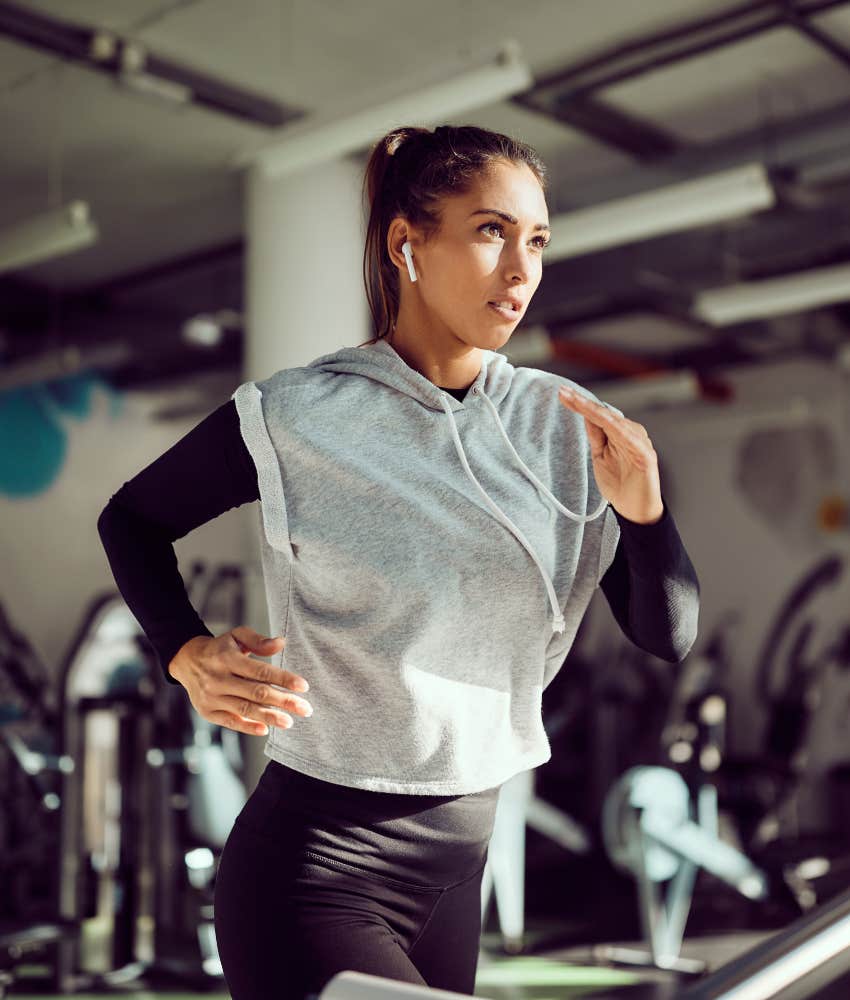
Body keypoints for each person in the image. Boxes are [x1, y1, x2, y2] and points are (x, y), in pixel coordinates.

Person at [97, 123, 700, 1000]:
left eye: (536, 240)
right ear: (406, 242)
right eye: (492, 231)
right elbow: (134, 518)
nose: (522, 269)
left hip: (460, 875)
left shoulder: (562, 426)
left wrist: (644, 511)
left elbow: (666, 634)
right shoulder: (298, 415)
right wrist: (183, 652)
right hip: (312, 873)